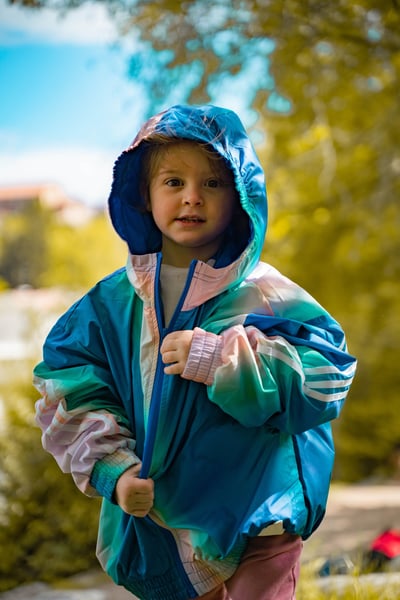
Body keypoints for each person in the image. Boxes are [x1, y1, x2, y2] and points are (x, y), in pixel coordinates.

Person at [33, 104, 357, 600]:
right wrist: (114, 467)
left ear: (241, 196)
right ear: (143, 195)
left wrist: (222, 360)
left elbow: (327, 376)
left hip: (261, 511)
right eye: (173, 182)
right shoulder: (110, 305)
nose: (192, 197)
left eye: (212, 182)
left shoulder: (267, 293)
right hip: (164, 518)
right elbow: (69, 389)